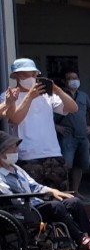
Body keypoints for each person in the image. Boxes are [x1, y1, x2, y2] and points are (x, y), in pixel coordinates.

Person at [0, 132, 90, 250]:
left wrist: (52, 191)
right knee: (56, 207)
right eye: (12, 147)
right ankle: (81, 240)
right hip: (22, 210)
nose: (16, 150)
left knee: (74, 202)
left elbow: (34, 186)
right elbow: (10, 198)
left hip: (36, 204)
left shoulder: (16, 169)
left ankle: (89, 237)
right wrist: (32, 199)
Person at [4, 58, 77, 190]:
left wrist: (58, 90)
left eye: (33, 74)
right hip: (27, 156)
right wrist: (29, 96)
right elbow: (14, 120)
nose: (31, 77)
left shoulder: (47, 95)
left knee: (61, 198)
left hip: (53, 154)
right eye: (26, 74)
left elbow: (73, 108)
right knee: (33, 200)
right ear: (16, 76)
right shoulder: (9, 96)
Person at [54, 70, 90, 193]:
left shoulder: (83, 95)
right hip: (66, 135)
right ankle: (64, 191)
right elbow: (46, 115)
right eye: (70, 78)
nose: (74, 80)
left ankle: (75, 191)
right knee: (66, 165)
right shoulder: (58, 96)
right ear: (64, 81)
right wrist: (57, 127)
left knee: (80, 165)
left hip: (82, 136)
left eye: (75, 78)